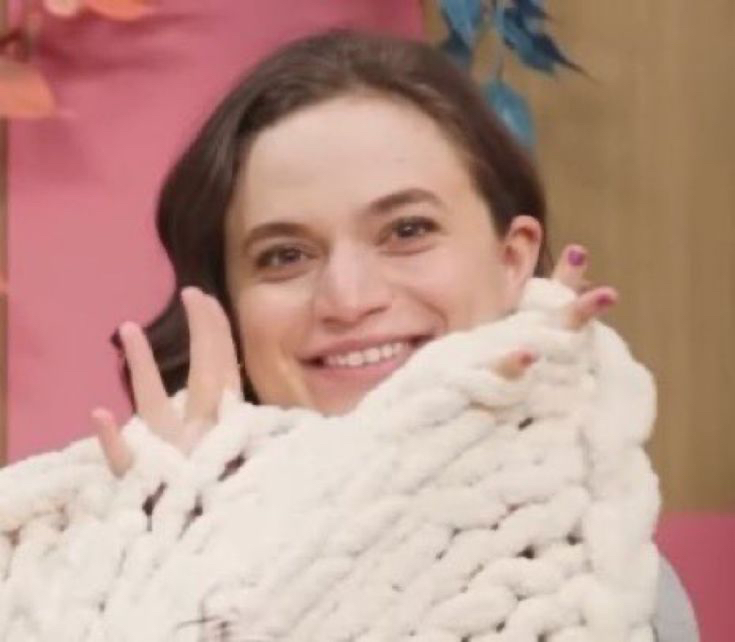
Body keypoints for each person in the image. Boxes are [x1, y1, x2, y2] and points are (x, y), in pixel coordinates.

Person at [80, 29, 693, 640]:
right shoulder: (91, 566)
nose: (348, 300)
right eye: (285, 255)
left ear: (512, 260)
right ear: (230, 308)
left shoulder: (608, 588)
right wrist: (185, 557)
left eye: (407, 230)